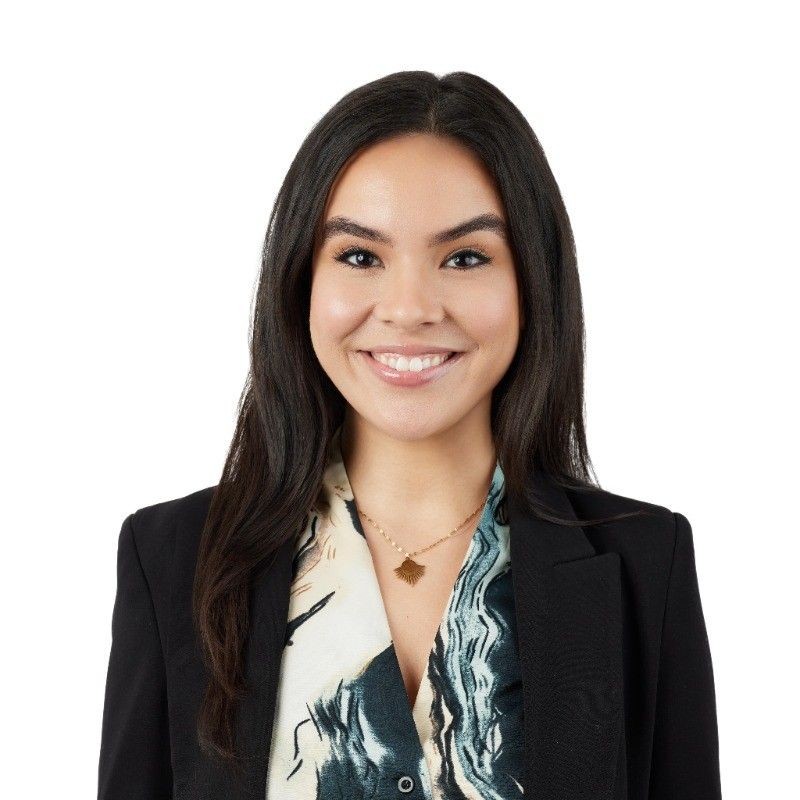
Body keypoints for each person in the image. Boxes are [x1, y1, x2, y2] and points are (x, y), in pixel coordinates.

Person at [97, 70, 722, 800]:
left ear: (533, 283)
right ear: (301, 281)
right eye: (360, 256)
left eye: (464, 257)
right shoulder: (173, 560)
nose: (409, 308)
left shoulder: (645, 563)